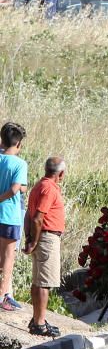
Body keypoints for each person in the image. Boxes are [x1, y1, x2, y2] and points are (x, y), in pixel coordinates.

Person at [22, 156, 66, 337]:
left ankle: (37, 319)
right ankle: (39, 323)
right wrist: (33, 240)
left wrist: (29, 237)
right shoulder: (49, 189)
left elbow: (28, 214)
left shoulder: (39, 186)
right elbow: (37, 217)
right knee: (44, 283)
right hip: (47, 238)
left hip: (41, 236)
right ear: (61, 174)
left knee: (38, 280)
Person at [0, 122, 28, 312]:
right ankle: (2, 296)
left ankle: (7, 293)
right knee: (8, 258)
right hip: (10, 216)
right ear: (18, 144)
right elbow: (15, 189)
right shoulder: (20, 163)